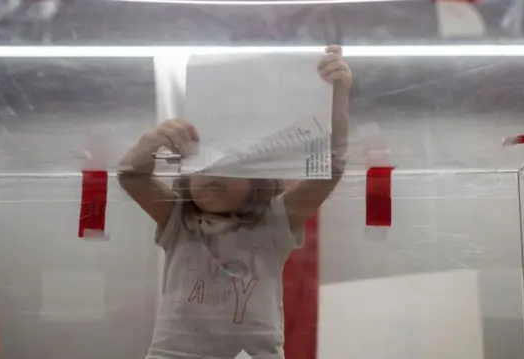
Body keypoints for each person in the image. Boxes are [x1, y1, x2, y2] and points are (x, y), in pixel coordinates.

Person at [118, 45, 352, 359]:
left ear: (259, 178)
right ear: (186, 175)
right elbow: (131, 176)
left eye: (231, 165)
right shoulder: (180, 221)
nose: (212, 175)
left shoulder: (273, 223)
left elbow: (330, 170)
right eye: (202, 165)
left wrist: (335, 98)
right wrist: (152, 141)